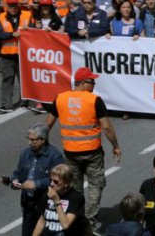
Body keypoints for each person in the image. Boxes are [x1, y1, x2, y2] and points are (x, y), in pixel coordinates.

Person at [44, 68, 121, 236]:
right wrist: (115, 145)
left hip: (70, 153)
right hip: (92, 153)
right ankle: (89, 224)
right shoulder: (94, 100)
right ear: (82, 83)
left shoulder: (60, 99)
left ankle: (75, 222)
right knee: (96, 186)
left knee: (74, 189)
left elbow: (47, 125)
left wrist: (44, 146)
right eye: (92, 81)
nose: (94, 84)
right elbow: (107, 127)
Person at [8, 123, 66, 236]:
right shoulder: (25, 153)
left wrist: (36, 184)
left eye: (33, 140)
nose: (30, 142)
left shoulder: (55, 156)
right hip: (28, 204)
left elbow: (59, 181)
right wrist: (14, 180)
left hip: (45, 205)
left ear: (43, 140)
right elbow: (18, 172)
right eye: (28, 139)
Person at [31, 163, 85, 236]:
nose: (51, 184)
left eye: (56, 181)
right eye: (51, 180)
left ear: (66, 183)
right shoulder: (48, 194)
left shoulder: (76, 198)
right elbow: (42, 220)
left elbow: (65, 225)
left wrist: (56, 201)